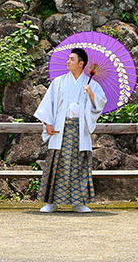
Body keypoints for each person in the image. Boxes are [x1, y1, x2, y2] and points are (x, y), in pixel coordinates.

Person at [33, 47, 106, 213]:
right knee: (57, 163)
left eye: (72, 59)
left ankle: (79, 203)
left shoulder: (91, 85)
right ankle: (51, 202)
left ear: (81, 64)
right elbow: (49, 104)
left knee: (78, 164)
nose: (68, 61)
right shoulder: (58, 82)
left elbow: (99, 105)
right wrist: (48, 123)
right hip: (61, 126)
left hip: (79, 128)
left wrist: (91, 94)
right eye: (68, 58)